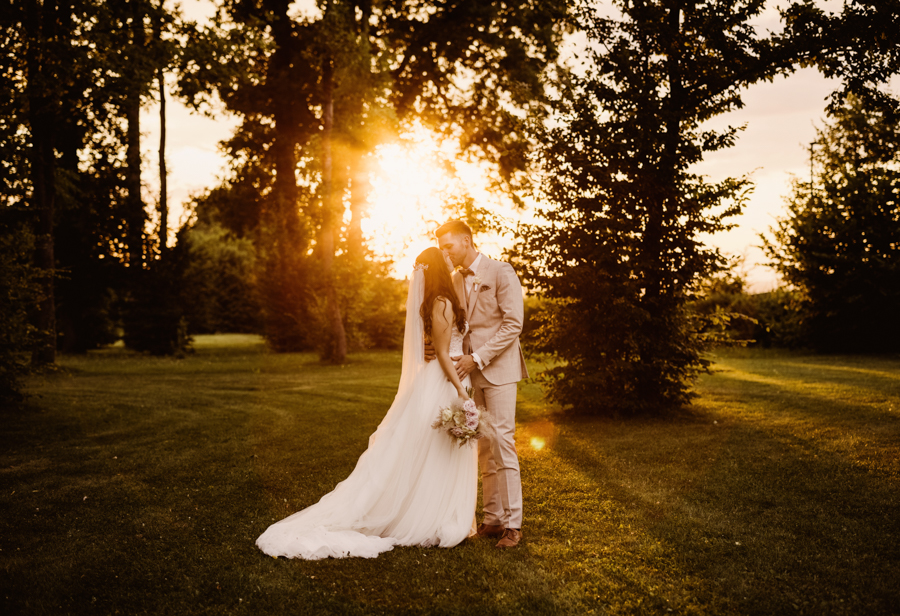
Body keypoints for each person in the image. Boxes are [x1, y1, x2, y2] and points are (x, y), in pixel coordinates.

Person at [256, 247, 477, 560]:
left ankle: (442, 513)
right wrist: (461, 392)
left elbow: (441, 346)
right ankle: (432, 517)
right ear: (440, 268)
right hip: (445, 381)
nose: (449, 259)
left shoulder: (438, 300)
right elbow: (442, 353)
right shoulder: (442, 302)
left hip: (446, 377)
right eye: (445, 258)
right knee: (438, 451)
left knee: (439, 450)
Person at [429, 220, 529, 549]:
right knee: (484, 446)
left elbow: (513, 323)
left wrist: (478, 358)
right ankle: (493, 518)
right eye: (442, 248)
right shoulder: (455, 279)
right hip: (470, 374)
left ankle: (513, 524)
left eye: (449, 246)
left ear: (467, 240)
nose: (446, 252)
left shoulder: (501, 271)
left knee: (502, 442)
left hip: (499, 369)